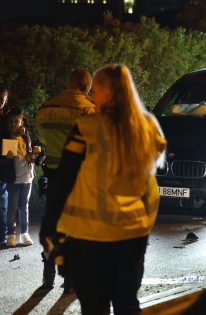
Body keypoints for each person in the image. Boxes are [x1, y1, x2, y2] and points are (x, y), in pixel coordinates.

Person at [39, 64, 166, 314]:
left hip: (92, 239)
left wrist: (50, 227)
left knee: (95, 307)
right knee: (127, 303)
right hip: (133, 235)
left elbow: (64, 180)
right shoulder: (147, 127)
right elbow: (150, 182)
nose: (92, 96)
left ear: (108, 91)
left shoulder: (87, 128)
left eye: (96, 90)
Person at [35, 69, 95, 290]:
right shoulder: (89, 110)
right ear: (86, 86)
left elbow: (43, 137)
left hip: (53, 172)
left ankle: (49, 270)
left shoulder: (46, 108)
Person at [0, 107, 42, 247]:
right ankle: (11, 234)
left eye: (16, 121)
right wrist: (6, 157)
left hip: (27, 177)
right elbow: (4, 161)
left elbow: (28, 156)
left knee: (24, 207)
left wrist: (35, 156)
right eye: (11, 122)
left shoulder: (26, 137)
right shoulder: (6, 137)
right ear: (8, 123)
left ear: (21, 122)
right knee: (12, 207)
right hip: (14, 178)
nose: (13, 124)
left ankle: (24, 233)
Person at [0, 86, 9, 246]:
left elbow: (10, 138)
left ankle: (2, 235)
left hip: (3, 162)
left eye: (3, 97)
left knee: (2, 199)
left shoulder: (7, 117)